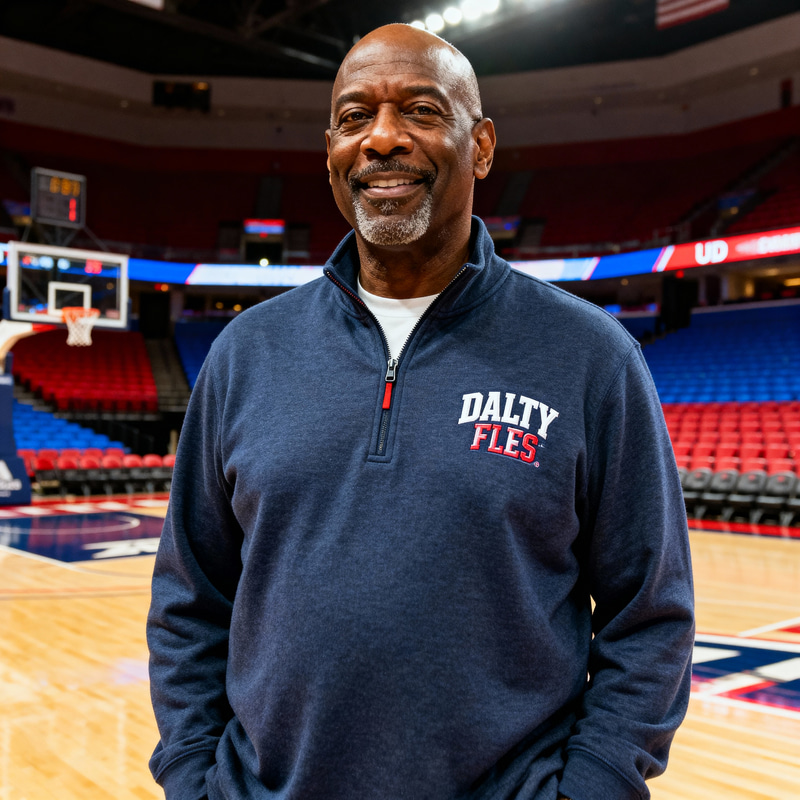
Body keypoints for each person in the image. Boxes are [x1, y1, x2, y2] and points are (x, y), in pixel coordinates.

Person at [147, 23, 694, 800]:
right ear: (330, 150)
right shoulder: (244, 354)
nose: (381, 139)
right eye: (353, 116)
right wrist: (192, 774)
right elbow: (188, 600)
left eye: (422, 111)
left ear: (482, 146)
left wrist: (595, 786)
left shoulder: (592, 359)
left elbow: (653, 615)